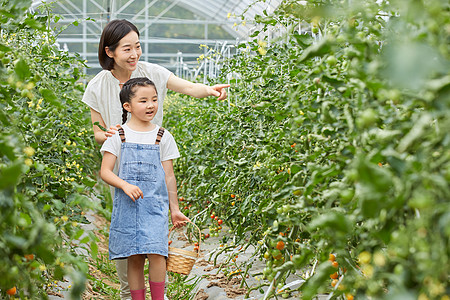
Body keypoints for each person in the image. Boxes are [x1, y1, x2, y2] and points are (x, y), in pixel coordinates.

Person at [81, 19, 229, 299]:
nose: (134, 54)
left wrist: (209, 90)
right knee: (128, 241)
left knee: (154, 242)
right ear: (110, 51)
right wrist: (108, 134)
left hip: (152, 158)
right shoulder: (97, 86)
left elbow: (187, 87)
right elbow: (97, 131)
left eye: (137, 46)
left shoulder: (151, 74)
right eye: (127, 49)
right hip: (121, 163)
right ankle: (129, 294)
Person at [100, 77, 189, 300]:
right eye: (143, 101)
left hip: (154, 207)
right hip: (128, 208)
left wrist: (174, 209)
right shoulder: (118, 136)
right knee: (135, 257)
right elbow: (106, 171)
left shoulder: (162, 136)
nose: (150, 105)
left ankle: (159, 298)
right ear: (127, 106)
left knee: (158, 254)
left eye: (154, 100)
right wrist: (125, 184)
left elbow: (169, 175)